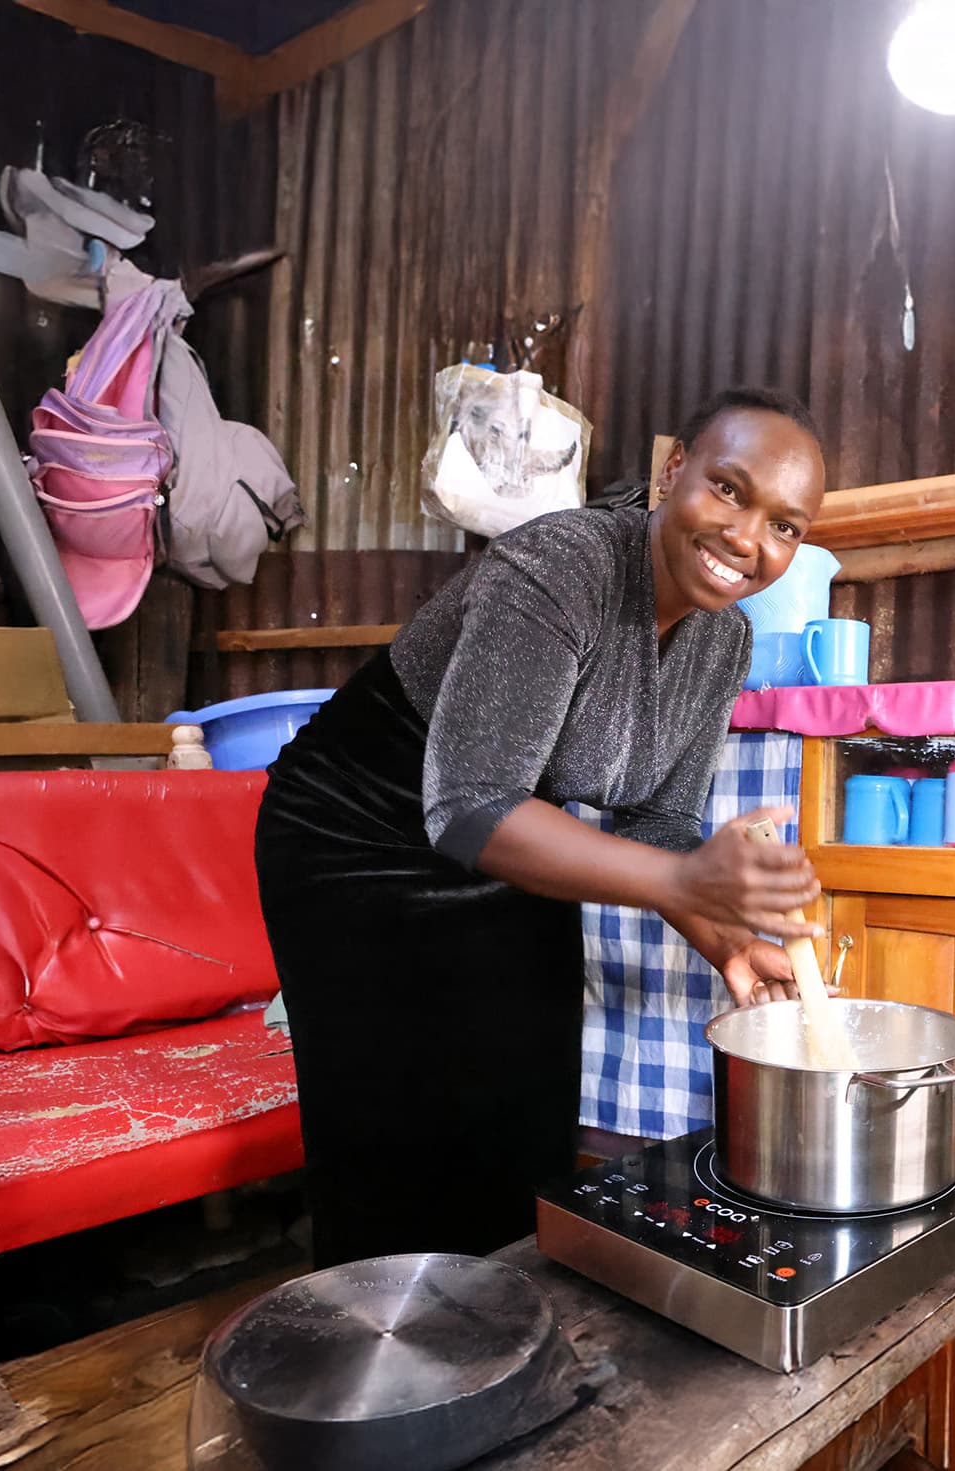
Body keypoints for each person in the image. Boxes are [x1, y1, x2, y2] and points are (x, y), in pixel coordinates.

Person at [253, 386, 830, 1265]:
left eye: (786, 526)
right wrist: (684, 882)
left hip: (511, 835)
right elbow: (470, 806)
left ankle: (498, 1339)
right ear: (673, 469)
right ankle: (372, 1359)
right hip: (354, 832)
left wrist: (727, 944)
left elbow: (659, 820)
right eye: (729, 489)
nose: (749, 540)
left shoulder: (724, 642)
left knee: (525, 1101)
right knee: (388, 1131)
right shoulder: (562, 565)